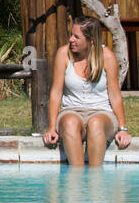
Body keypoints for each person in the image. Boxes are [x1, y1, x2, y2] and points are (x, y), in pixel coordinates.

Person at [42, 16, 131, 166]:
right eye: (71, 34)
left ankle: (95, 180)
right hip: (71, 110)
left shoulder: (107, 56)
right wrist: (52, 128)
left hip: (101, 112)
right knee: (70, 123)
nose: (71, 39)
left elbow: (115, 95)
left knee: (95, 123)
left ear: (91, 40)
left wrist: (122, 128)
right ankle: (76, 179)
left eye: (77, 37)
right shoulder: (63, 54)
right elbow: (56, 93)